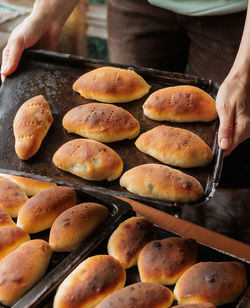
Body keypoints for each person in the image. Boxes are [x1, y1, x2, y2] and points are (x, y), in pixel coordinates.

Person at [1, 0, 250, 185]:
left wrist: (243, 74)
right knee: (133, 104)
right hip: (136, 6)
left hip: (233, 15)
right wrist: (47, 14)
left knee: (225, 139)